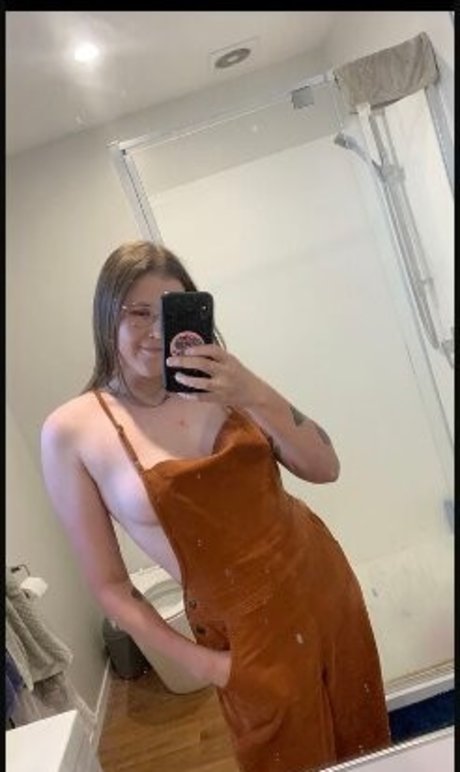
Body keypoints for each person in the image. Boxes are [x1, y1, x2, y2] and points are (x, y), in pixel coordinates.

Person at [41, 240, 391, 772]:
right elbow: (109, 586)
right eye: (138, 313)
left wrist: (250, 390)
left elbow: (325, 466)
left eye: (171, 312)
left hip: (323, 583)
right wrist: (208, 666)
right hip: (246, 638)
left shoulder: (222, 381)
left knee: (364, 738)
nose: (157, 331)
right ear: (106, 315)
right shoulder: (72, 431)